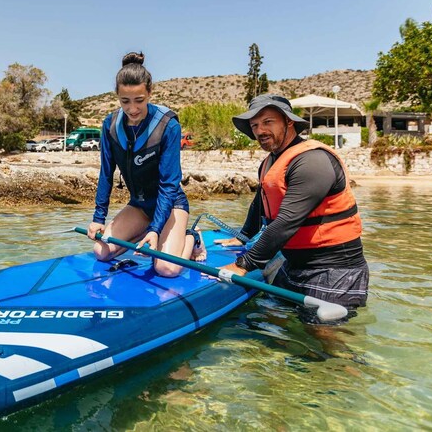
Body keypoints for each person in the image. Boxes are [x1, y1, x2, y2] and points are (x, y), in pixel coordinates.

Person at [217, 94, 369, 321]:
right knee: (276, 320)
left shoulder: (311, 161)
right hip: (295, 265)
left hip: (334, 270)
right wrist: (243, 236)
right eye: (255, 125)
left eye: (268, 122)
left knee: (324, 343)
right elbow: (262, 200)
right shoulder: (270, 161)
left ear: (289, 122)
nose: (260, 131)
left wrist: (243, 264)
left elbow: (287, 220)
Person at [86, 52, 203, 277]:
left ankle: (191, 237)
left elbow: (169, 185)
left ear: (150, 92)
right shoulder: (109, 125)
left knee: (166, 268)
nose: (132, 109)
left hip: (171, 207)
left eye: (139, 100)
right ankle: (146, 231)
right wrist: (98, 219)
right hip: (139, 207)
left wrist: (156, 229)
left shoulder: (168, 125)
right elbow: (106, 174)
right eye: (125, 101)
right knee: (101, 251)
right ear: (117, 96)